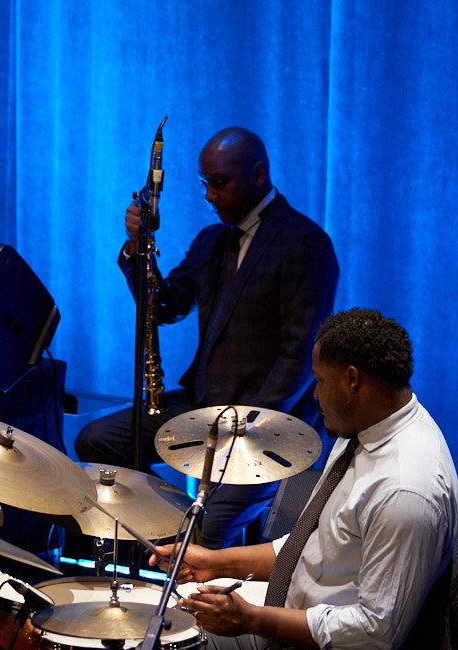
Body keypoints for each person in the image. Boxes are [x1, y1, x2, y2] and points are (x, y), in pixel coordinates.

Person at [74, 126, 339, 548]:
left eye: (219, 183)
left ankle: (195, 542)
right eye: (205, 183)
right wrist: (136, 248)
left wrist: (253, 427)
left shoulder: (305, 243)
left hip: (267, 424)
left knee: (211, 531)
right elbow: (165, 306)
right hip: (204, 407)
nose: (209, 195)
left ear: (257, 173)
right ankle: (169, 525)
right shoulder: (213, 240)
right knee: (96, 440)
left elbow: (299, 354)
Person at [150, 308, 458, 649]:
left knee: (173, 638)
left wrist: (251, 619)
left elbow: (375, 633)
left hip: (317, 639)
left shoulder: (404, 490)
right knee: (163, 617)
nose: (314, 394)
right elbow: (318, 547)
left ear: (352, 380)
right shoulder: (361, 430)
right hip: (293, 607)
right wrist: (214, 563)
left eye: (320, 381)